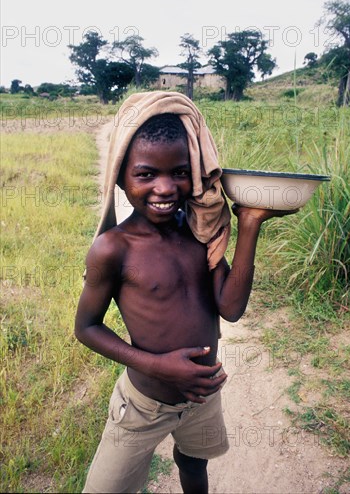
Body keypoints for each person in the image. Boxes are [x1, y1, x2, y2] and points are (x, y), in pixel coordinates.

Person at [75, 92, 295, 494]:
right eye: (145, 174)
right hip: (143, 404)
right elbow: (86, 328)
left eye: (179, 172)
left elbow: (230, 308)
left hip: (202, 394)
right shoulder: (114, 249)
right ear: (120, 176)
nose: (165, 188)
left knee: (194, 462)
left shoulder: (201, 231)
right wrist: (158, 366)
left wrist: (249, 224)